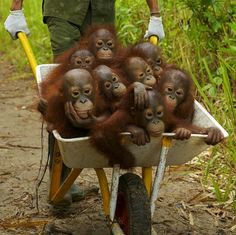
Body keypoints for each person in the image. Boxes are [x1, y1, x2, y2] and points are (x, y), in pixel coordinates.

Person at [4, 0, 165, 206]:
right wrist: (16, 8)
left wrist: (155, 14)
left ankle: (107, 134)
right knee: (71, 80)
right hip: (64, 10)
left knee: (108, 76)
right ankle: (61, 173)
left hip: (101, 10)